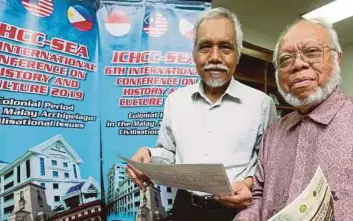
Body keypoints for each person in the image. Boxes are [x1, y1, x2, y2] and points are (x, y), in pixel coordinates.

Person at [127, 7, 277, 221]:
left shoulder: (262, 104)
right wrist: (150, 156)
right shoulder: (175, 101)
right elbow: (169, 154)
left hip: (238, 212)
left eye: (225, 47)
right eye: (205, 47)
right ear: (194, 53)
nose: (214, 57)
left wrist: (250, 185)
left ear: (238, 54)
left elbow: (268, 164)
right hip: (185, 209)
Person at [235, 18, 353, 221]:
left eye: (312, 52)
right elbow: (258, 198)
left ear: (337, 59)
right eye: (286, 59)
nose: (298, 64)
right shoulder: (273, 133)